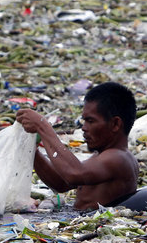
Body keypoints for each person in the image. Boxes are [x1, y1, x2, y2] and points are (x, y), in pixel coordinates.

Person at [16, 82, 139, 210]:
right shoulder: (102, 156)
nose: (84, 128)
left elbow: (74, 174)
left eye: (91, 121)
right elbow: (61, 183)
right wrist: (33, 152)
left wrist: (42, 126)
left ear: (115, 124)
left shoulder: (118, 158)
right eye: (84, 121)